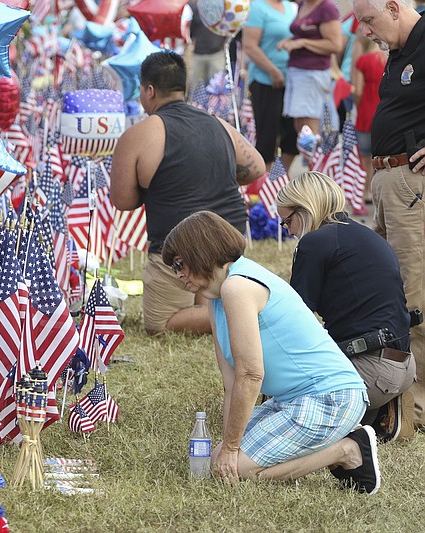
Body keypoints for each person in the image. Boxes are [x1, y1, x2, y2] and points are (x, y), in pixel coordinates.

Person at [162, 211, 378, 493]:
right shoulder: (218, 299)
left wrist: (232, 450)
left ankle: (348, 449)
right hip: (292, 400)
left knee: (237, 469)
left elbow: (251, 375)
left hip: (331, 397)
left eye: (180, 264)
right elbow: (231, 386)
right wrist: (227, 448)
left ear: (200, 251)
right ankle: (337, 444)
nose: (178, 274)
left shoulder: (237, 286)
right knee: (219, 463)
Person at [110, 51, 264, 336]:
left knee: (158, 324)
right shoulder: (219, 124)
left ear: (150, 90)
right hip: (229, 244)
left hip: (177, 250)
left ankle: (234, 311)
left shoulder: (139, 134)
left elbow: (123, 200)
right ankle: (232, 302)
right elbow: (256, 168)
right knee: (207, 283)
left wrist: (160, 184)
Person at [276, 172, 416, 441]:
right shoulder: (365, 234)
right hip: (405, 366)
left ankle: (359, 418)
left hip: (370, 371)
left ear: (305, 210)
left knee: (286, 396)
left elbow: (294, 320)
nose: (289, 230)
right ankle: (383, 409)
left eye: (287, 221)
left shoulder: (314, 242)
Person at [352, 0, 425, 428]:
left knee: (413, 294)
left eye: (368, 20)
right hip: (386, 180)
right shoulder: (399, 49)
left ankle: (415, 410)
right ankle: (397, 393)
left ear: (394, 8)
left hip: (410, 184)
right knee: (385, 288)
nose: (365, 31)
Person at [243, 0, 299, 173]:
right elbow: (249, 46)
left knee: (292, 135)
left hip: (293, 81)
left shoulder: (292, 7)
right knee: (267, 135)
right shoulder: (258, 7)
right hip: (265, 81)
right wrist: (273, 71)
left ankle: (279, 178)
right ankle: (263, 182)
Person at [277, 0, 343, 135]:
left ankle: (315, 156)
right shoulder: (303, 4)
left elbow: (335, 45)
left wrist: (303, 43)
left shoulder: (326, 8)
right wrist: (291, 41)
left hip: (313, 73)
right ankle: (309, 155)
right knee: (300, 124)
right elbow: (302, 33)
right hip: (296, 71)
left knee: (309, 126)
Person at [352, 36, 388, 204]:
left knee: (365, 159)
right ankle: (381, 193)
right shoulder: (388, 59)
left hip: (366, 113)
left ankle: (366, 192)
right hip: (384, 113)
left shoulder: (363, 61)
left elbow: (358, 91)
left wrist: (356, 105)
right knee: (383, 157)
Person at [187, 0, 228, 91]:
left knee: (216, 88)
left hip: (216, 54)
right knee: (194, 88)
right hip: (199, 53)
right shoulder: (197, 9)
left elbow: (226, 30)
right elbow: (192, 31)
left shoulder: (222, 9)